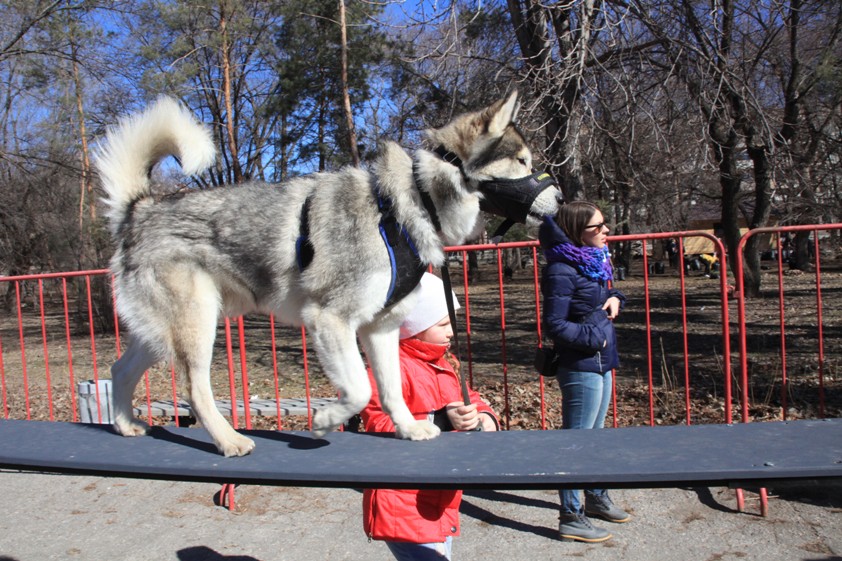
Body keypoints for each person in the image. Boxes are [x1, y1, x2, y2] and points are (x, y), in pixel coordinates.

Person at [361, 272, 499, 560]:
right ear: (412, 327)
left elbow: (470, 399)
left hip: (438, 492)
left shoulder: (445, 361)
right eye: (443, 324)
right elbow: (380, 424)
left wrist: (484, 419)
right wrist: (442, 420)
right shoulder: (387, 368)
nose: (452, 331)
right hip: (403, 498)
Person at [538, 201, 631, 543]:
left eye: (605, 224)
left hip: (602, 362)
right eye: (599, 226)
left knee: (595, 437)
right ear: (578, 231)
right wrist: (593, 338)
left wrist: (616, 296)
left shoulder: (594, 261)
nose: (607, 231)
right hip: (580, 365)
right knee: (576, 443)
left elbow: (603, 295)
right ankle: (570, 516)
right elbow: (555, 324)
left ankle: (594, 496)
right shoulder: (561, 269)